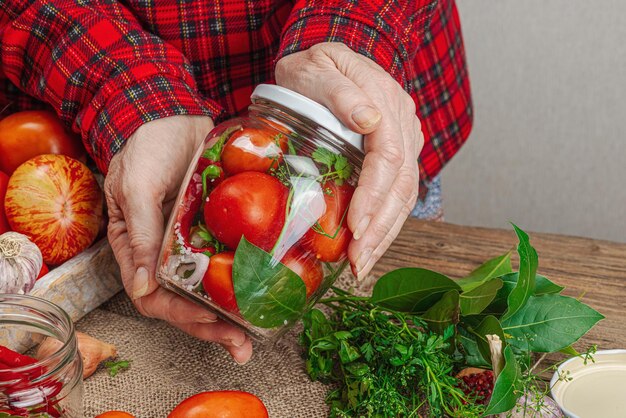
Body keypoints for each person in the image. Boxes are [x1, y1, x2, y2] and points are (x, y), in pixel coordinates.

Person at [0, 0, 472, 364]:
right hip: (114, 152)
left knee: (373, 235)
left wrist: (351, 38)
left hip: (362, 129)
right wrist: (125, 86)